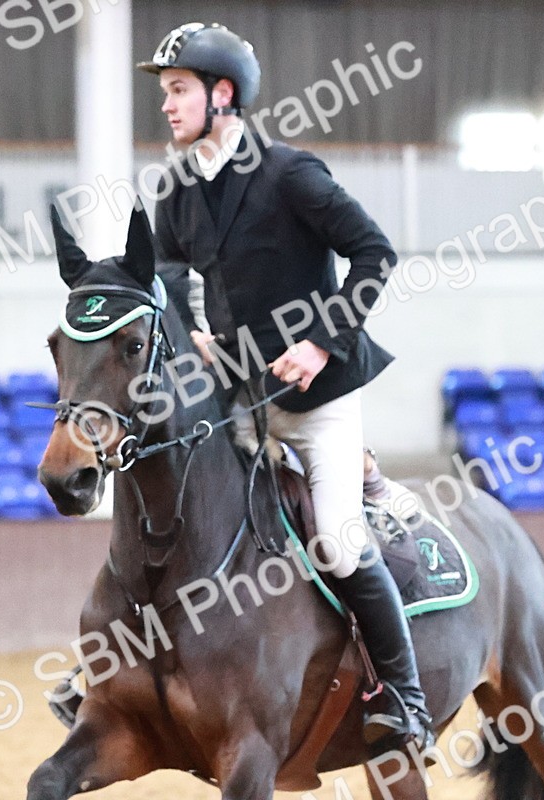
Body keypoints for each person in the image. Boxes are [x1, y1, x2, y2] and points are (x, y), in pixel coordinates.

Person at [138, 22, 435, 753]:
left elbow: (374, 254)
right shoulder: (174, 189)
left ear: (223, 94)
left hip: (315, 400)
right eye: (166, 92)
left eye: (179, 91)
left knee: (334, 544)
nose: (167, 106)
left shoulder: (292, 174)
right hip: (237, 401)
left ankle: (409, 696)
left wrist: (321, 341)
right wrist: (190, 328)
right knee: (178, 520)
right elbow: (168, 267)